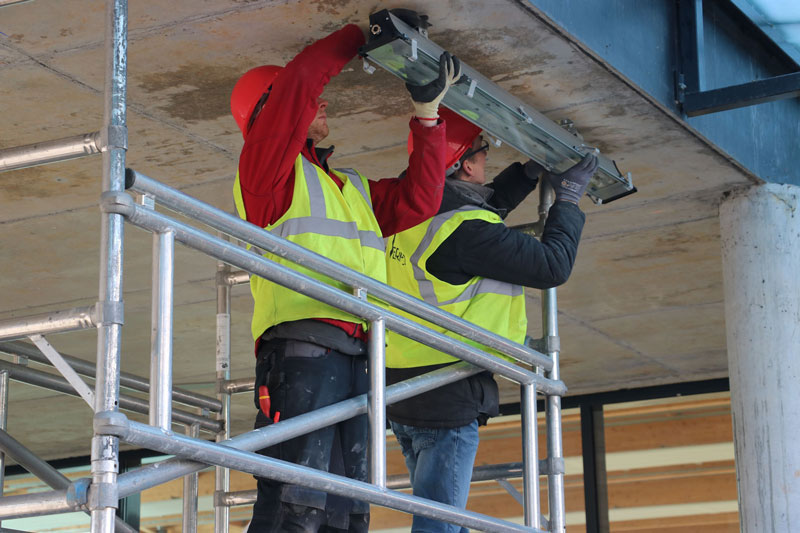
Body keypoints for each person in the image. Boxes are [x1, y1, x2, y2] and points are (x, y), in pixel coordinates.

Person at [230, 22, 461, 533]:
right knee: (297, 502)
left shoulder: (346, 186)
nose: (325, 104)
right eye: (315, 101)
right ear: (273, 113)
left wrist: (427, 118)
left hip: (357, 350)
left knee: (348, 513)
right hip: (303, 348)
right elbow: (299, 85)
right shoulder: (266, 171)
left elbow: (419, 201)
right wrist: (360, 33)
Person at [384, 108, 598, 532]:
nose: (486, 160)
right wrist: (568, 201)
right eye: (482, 153)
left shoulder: (410, 213)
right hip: (446, 394)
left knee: (445, 521)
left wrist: (526, 173)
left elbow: (481, 208)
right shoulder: (467, 231)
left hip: (407, 390)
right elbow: (552, 265)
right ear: (465, 164)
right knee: (441, 526)